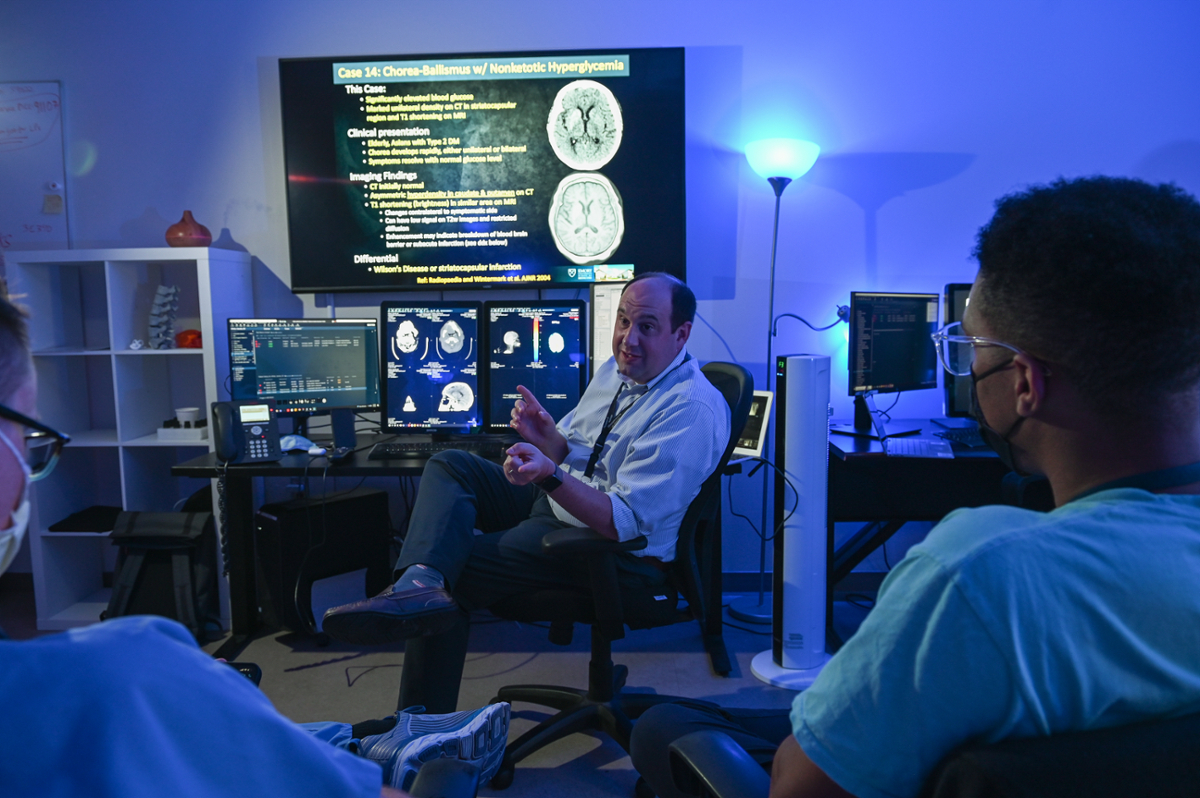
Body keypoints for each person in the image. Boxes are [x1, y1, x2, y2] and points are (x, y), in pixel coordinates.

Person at [629, 176, 1200, 798]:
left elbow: (797, 789)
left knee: (664, 723)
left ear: (1025, 384)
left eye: (969, 347)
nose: (967, 366)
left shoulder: (979, 572)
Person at [0, 292, 509, 797]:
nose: (31, 471)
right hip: (163, 694)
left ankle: (374, 738)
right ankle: (379, 747)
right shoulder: (132, 665)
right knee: (205, 723)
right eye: (29, 442)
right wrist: (189, 687)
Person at [323, 272, 732, 713]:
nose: (627, 339)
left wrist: (548, 474)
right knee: (450, 464)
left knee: (456, 573)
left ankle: (419, 735)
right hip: (564, 505)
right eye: (622, 321)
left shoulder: (689, 409)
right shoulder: (618, 370)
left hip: (617, 554)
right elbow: (577, 456)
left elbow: (621, 522)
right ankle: (417, 581)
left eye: (646, 326)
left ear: (681, 333)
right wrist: (548, 441)